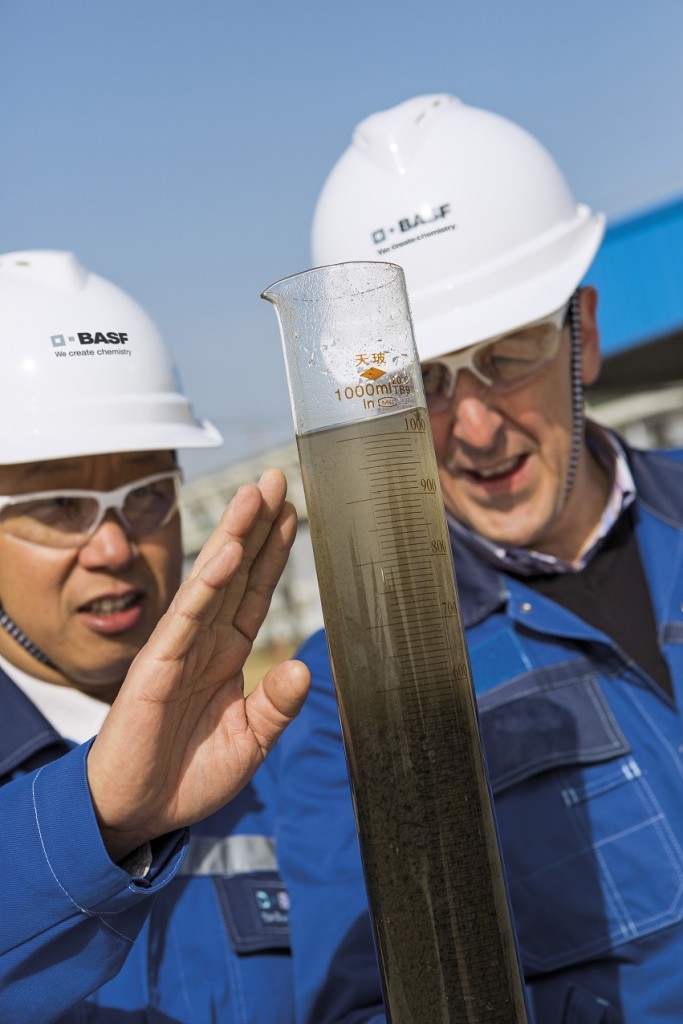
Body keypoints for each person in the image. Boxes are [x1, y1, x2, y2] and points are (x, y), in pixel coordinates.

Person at [271, 94, 683, 1023]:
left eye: (505, 355)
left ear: (580, 334)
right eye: (419, 382)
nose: (472, 424)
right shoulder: (350, 695)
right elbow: (362, 1004)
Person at [0, 249, 310, 1022]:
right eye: (61, 506)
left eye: (145, 494)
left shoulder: (283, 747)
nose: (113, 547)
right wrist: (96, 817)